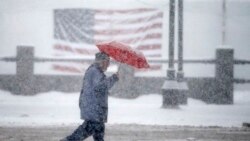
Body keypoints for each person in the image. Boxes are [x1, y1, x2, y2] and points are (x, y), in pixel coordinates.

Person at [60, 52, 119, 141]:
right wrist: (114, 78)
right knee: (85, 132)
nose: (108, 64)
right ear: (102, 61)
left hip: (96, 110)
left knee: (96, 134)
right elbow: (101, 87)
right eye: (107, 61)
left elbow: (98, 88)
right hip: (94, 110)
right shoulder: (95, 71)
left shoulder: (96, 71)